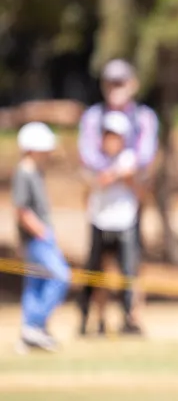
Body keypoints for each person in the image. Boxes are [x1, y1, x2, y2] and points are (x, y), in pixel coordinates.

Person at [77, 58, 158, 333]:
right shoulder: (92, 117)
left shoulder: (144, 117)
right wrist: (113, 173)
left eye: (121, 81)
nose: (115, 87)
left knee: (132, 264)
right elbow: (88, 158)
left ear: (133, 84)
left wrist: (122, 174)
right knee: (97, 266)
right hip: (101, 208)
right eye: (110, 82)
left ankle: (131, 317)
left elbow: (145, 158)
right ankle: (92, 318)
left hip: (130, 203)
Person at [78, 111, 143, 337]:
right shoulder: (94, 159)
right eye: (108, 135)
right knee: (95, 274)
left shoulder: (128, 158)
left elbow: (129, 178)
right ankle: (91, 320)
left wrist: (111, 176)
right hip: (100, 221)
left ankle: (129, 319)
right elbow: (90, 184)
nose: (112, 140)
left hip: (124, 221)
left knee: (127, 273)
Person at [13, 122, 70, 353]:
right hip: (37, 239)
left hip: (38, 237)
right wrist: (44, 233)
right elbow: (22, 210)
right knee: (61, 276)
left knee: (35, 285)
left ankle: (31, 330)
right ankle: (34, 326)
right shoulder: (24, 172)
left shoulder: (34, 172)